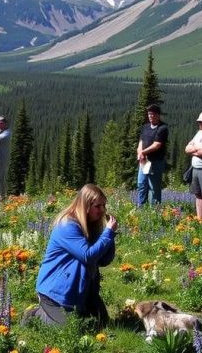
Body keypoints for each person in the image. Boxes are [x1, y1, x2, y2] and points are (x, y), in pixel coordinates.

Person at [33, 184, 117, 327]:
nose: (102, 210)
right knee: (71, 328)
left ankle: (78, 308)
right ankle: (36, 315)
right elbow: (87, 256)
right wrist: (108, 234)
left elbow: (103, 260)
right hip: (56, 293)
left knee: (101, 324)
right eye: (98, 206)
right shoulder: (67, 224)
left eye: (104, 205)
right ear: (86, 205)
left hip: (81, 290)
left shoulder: (92, 225)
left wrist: (110, 236)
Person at [135, 104, 170, 207]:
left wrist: (143, 152)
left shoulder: (163, 128)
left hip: (155, 162)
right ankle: (141, 207)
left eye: (153, 114)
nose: (150, 116)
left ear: (158, 115)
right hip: (144, 162)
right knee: (141, 185)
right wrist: (139, 152)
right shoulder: (145, 127)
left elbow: (157, 145)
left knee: (154, 187)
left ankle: (155, 210)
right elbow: (141, 141)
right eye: (149, 114)